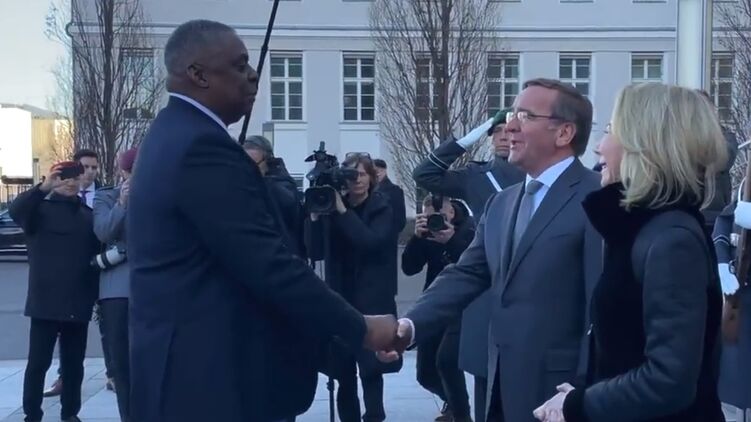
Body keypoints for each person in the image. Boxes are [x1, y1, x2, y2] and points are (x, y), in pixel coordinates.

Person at [126, 20, 396, 422]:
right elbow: (268, 263)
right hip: (208, 381)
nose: (253, 75)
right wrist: (361, 328)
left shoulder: (171, 132)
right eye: (239, 66)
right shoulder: (202, 147)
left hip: (186, 371)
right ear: (198, 74)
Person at [382, 78, 603, 422]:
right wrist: (410, 326)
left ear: (564, 133)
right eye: (513, 115)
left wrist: (583, 386)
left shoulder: (598, 199)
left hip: (562, 396)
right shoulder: (502, 203)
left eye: (525, 116)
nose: (510, 127)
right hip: (498, 385)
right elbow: (467, 273)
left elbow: (601, 306)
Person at [534, 83, 726, 422]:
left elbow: (669, 380)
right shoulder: (637, 230)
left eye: (611, 131)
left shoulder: (672, 240)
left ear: (645, 146)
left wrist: (579, 405)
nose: (599, 146)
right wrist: (582, 391)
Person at [413, 108, 525, 421]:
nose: (503, 136)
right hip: (484, 286)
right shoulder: (478, 176)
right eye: (496, 131)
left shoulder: (535, 173)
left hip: (527, 286)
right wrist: (472, 134)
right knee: (478, 373)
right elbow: (425, 174)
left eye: (509, 129)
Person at [306, 153, 400, 422]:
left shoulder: (382, 207)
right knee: (343, 374)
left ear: (371, 177)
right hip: (341, 298)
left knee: (371, 370)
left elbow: (370, 243)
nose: (357, 180)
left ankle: (374, 417)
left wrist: (343, 212)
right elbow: (314, 251)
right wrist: (314, 218)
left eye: (362, 174)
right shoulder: (331, 207)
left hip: (372, 300)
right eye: (351, 175)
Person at [9, 161, 101, 422]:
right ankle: (32, 415)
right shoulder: (38, 211)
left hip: (77, 300)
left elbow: (95, 257)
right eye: (64, 177)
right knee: (38, 364)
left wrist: (94, 296)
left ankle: (70, 413)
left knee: (73, 365)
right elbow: (16, 210)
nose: (70, 182)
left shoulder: (87, 216)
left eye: (75, 177)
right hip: (44, 301)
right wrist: (43, 187)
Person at [45, 149, 114, 398]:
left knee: (108, 323)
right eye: (85, 167)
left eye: (94, 167)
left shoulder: (106, 194)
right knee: (68, 327)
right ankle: (65, 377)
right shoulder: (60, 195)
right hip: (73, 272)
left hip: (103, 265)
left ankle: (113, 373)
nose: (90, 172)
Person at [402, 195, 475, 422]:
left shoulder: (469, 229)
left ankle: (461, 415)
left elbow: (474, 266)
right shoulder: (428, 233)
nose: (436, 222)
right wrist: (417, 238)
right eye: (430, 217)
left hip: (463, 305)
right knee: (425, 374)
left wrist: (451, 240)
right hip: (435, 302)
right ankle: (453, 403)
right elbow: (409, 268)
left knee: (447, 360)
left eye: (440, 217)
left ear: (451, 213)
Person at [93, 147, 137, 422]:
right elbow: (103, 231)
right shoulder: (106, 196)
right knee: (121, 363)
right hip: (117, 290)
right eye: (130, 171)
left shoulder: (160, 193)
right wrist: (122, 202)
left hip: (154, 287)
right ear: (122, 172)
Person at [243, 135, 306, 256]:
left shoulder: (281, 184)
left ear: (268, 161)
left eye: (255, 164)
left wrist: (262, 183)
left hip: (281, 252)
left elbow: (289, 203)